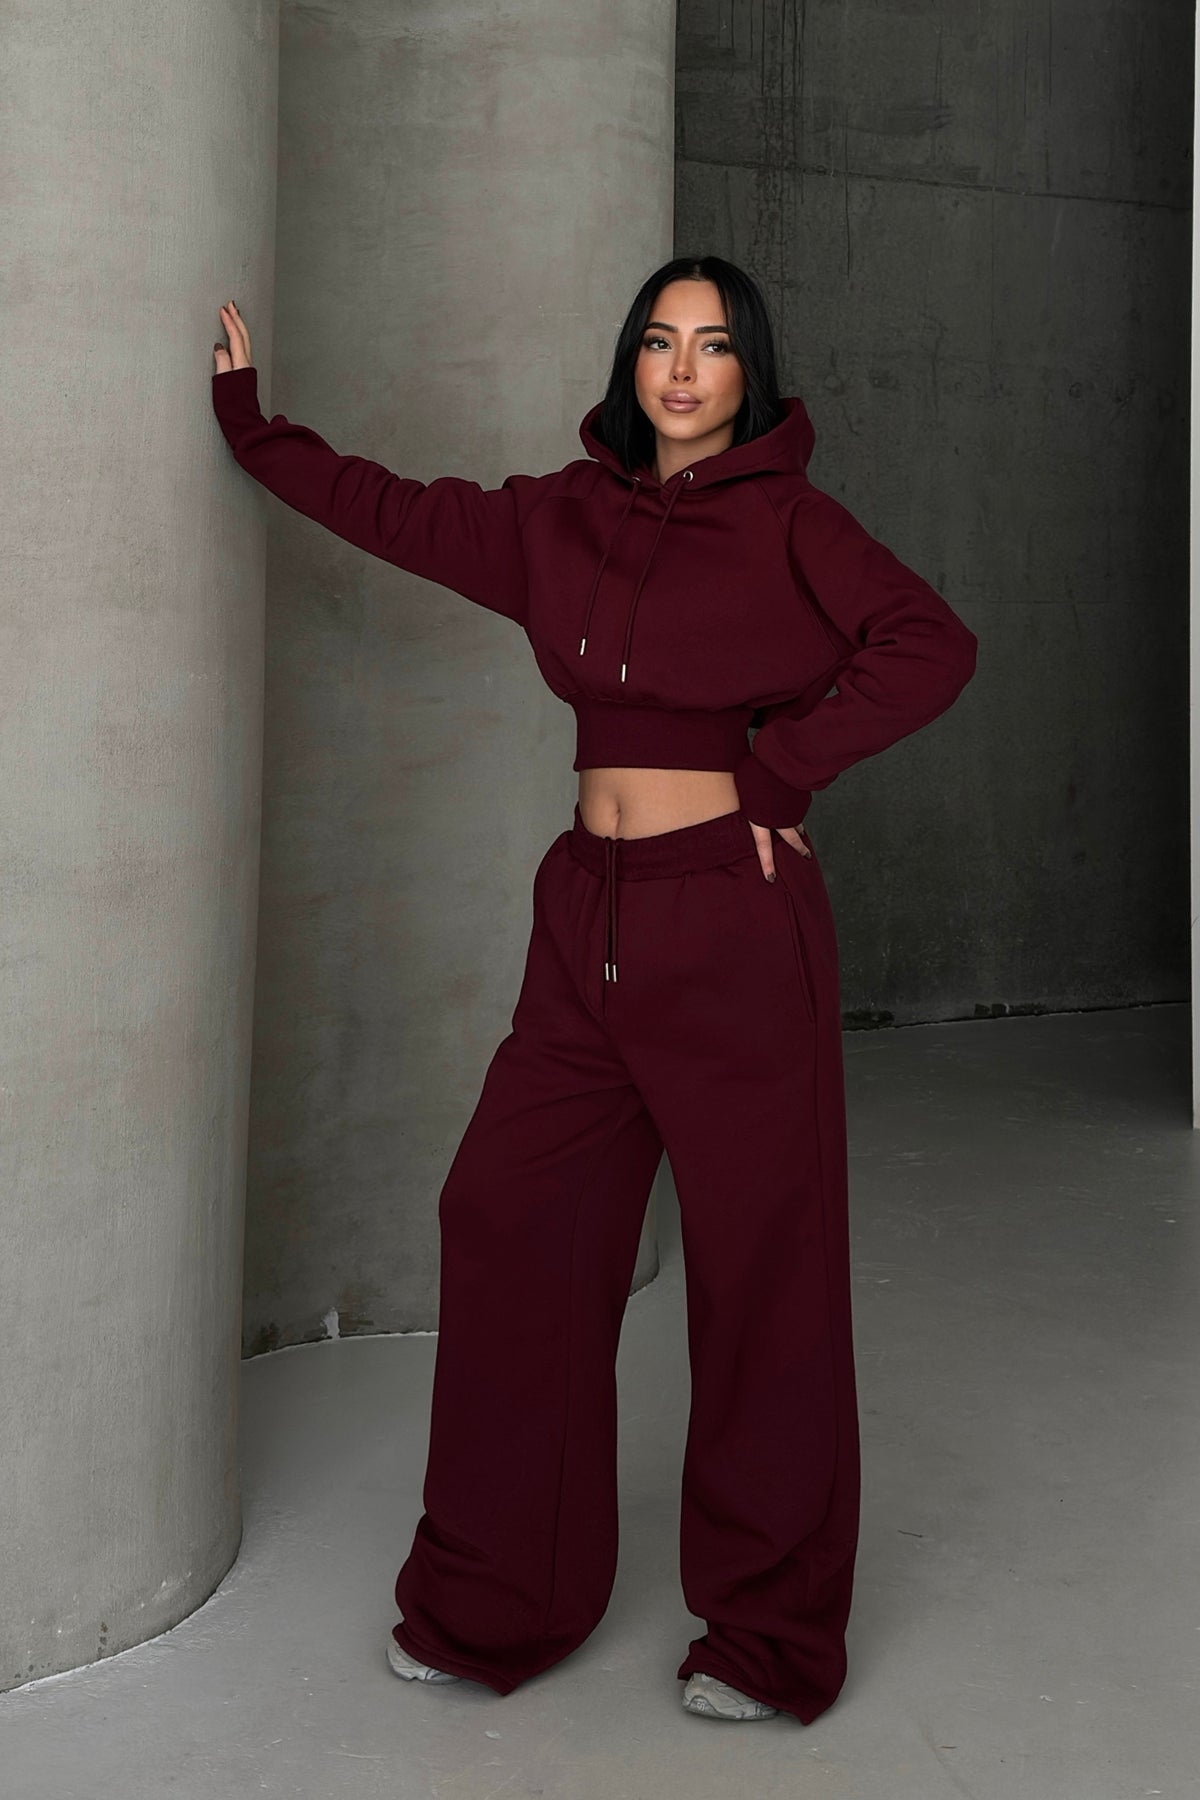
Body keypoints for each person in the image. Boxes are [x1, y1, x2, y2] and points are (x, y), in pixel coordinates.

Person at [211, 256, 977, 1726]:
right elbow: (392, 509)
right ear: (630, 363)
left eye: (712, 346)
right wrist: (254, 428)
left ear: (750, 373)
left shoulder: (796, 526)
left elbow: (931, 644)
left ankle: (767, 1635)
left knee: (762, 1276)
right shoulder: (555, 519)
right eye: (658, 342)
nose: (682, 369)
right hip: (586, 920)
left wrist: (779, 771)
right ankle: (498, 1599)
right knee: (508, 1219)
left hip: (734, 926)